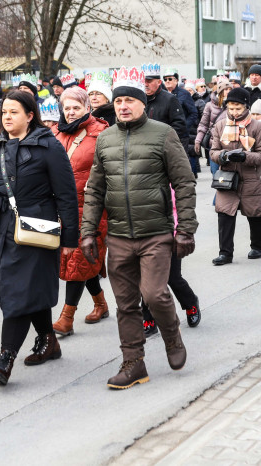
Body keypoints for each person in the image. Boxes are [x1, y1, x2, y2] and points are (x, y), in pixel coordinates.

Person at [81, 67, 197, 390]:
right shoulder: (105, 139)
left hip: (156, 233)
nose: (123, 106)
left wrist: (185, 228)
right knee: (126, 303)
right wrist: (88, 231)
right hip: (119, 237)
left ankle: (172, 336)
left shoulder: (163, 134)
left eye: (130, 100)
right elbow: (95, 189)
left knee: (155, 294)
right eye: (119, 101)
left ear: (143, 103)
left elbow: (184, 182)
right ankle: (133, 362)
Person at [0, 90, 79, 385]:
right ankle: (48, 340)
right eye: (4, 112)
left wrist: (70, 239)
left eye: (14, 112)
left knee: (18, 293)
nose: (7, 117)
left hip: (35, 232)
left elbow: (67, 196)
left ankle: (5, 358)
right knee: (17, 291)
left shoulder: (48, 147)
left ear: (30, 115)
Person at [141, 63, 198, 334]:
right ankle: (148, 317)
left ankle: (190, 303)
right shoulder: (139, 105)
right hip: (144, 226)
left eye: (152, 81)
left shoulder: (170, 100)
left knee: (172, 277)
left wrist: (182, 229)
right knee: (145, 277)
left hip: (169, 226)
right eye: (145, 81)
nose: (148, 84)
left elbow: (180, 129)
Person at [52, 87, 111, 336]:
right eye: (67, 108)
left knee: (79, 259)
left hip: (91, 207)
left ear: (87, 108)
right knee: (77, 261)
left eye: (76, 107)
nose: (71, 112)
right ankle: (101, 304)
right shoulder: (56, 132)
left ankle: (66, 318)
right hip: (62, 207)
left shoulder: (102, 133)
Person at [208, 87, 261, 265]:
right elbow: (213, 151)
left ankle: (258, 246)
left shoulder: (256, 126)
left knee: (255, 213)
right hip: (226, 177)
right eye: (231, 109)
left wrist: (245, 156)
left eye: (238, 108)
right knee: (225, 214)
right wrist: (223, 156)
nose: (234, 112)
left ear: (246, 107)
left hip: (251, 177)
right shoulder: (220, 125)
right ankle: (225, 252)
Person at [195, 76, 229, 172]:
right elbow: (203, 125)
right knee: (215, 174)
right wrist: (198, 141)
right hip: (214, 145)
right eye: (225, 89)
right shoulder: (209, 105)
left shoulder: (234, 105)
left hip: (231, 145)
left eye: (230, 89)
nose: (228, 91)